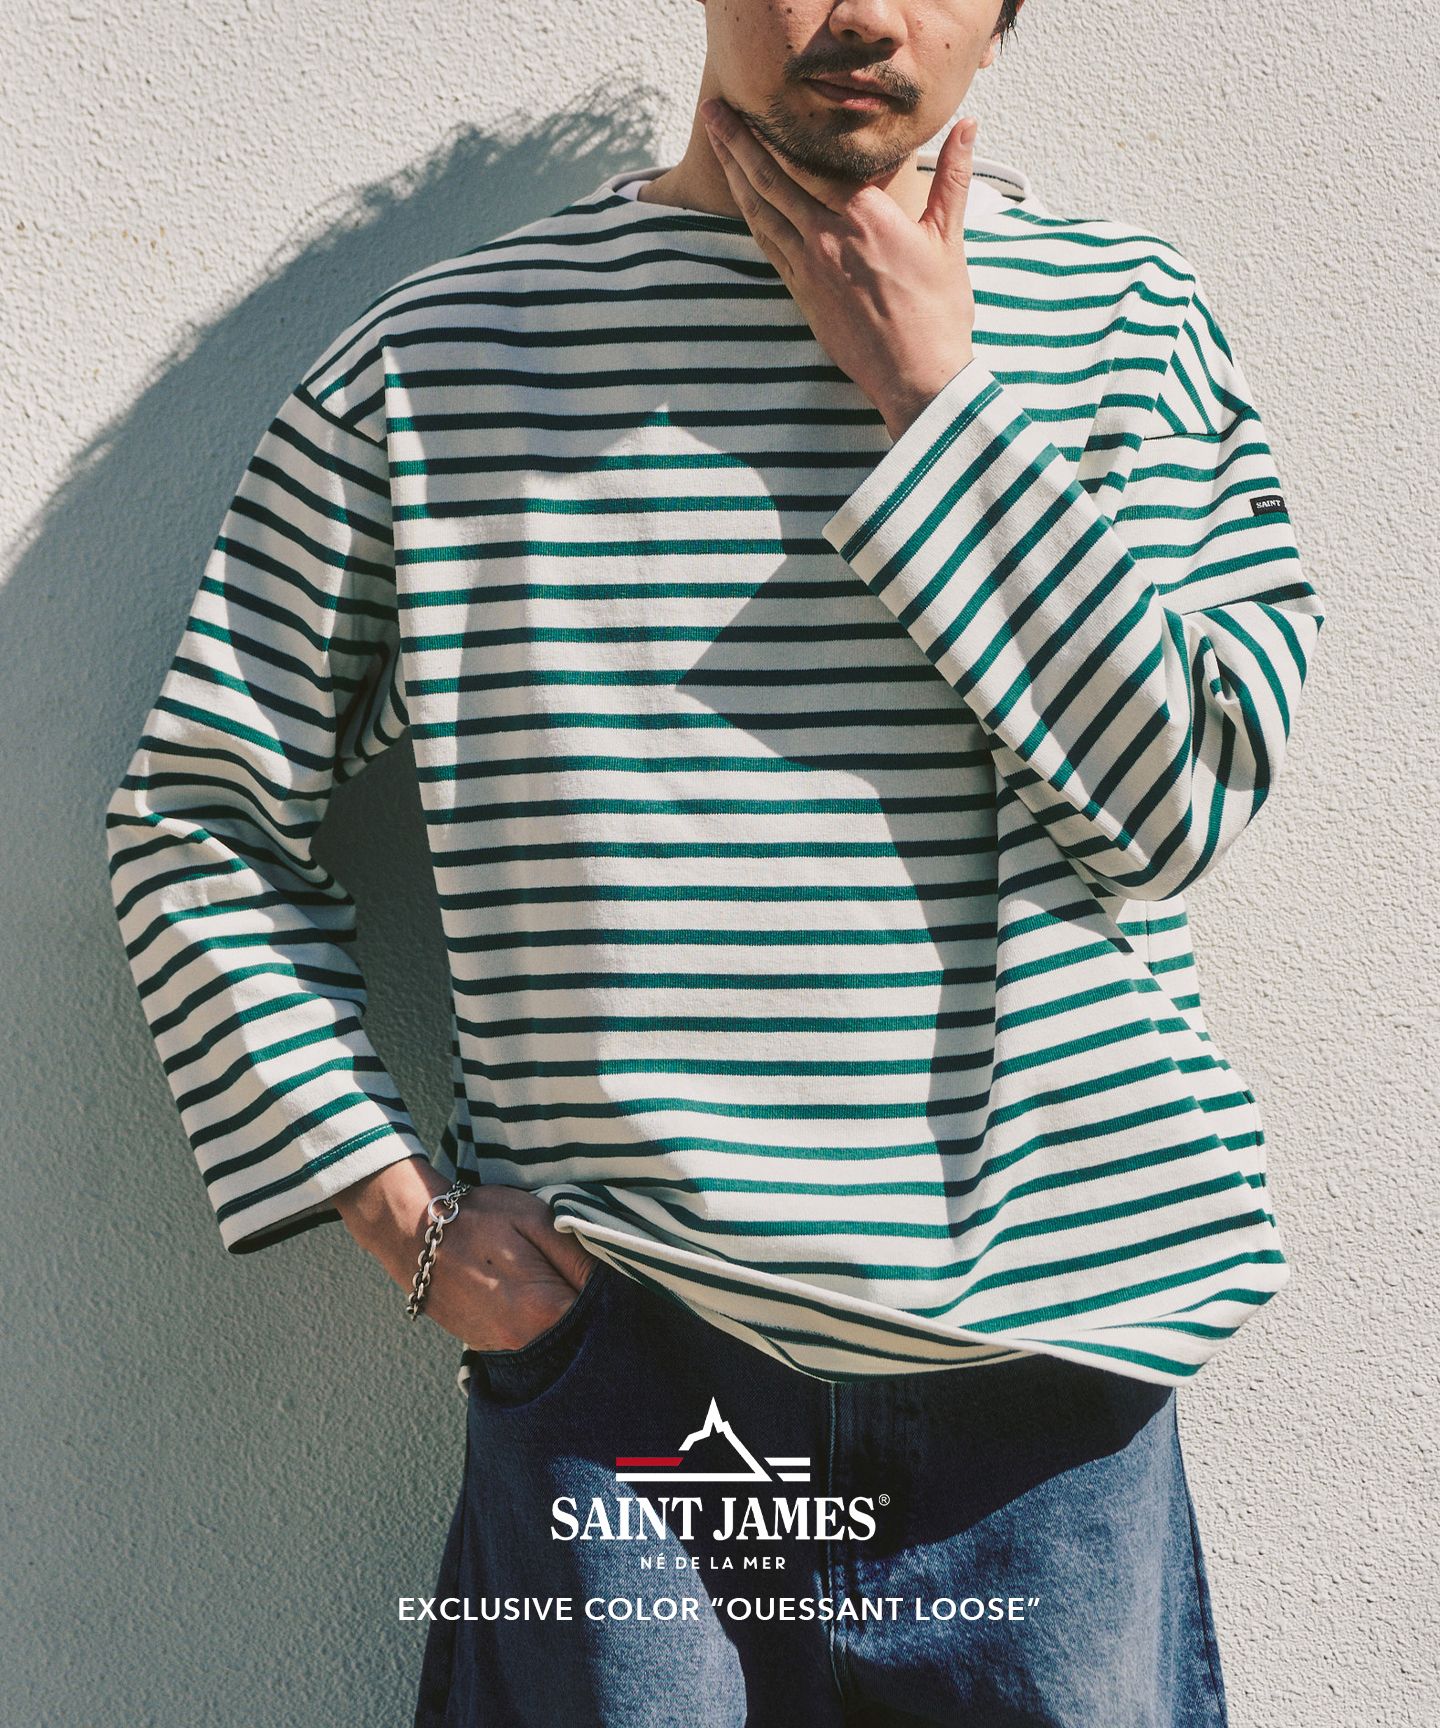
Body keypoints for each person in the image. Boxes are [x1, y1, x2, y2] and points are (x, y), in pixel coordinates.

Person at [104, 0, 1325, 1721]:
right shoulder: (446, 361)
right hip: (631, 1381)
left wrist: (938, 401)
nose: (866, 15)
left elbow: (1177, 804)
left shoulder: (1124, 323)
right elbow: (197, 818)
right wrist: (402, 1218)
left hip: (1057, 1389)